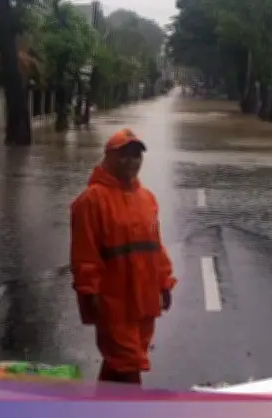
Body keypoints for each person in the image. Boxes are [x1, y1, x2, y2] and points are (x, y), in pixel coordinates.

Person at [70, 128, 177, 385]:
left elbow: (155, 246)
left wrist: (165, 283)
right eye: (124, 155)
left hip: (144, 300)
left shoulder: (147, 199)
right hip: (114, 302)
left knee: (119, 365)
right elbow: (85, 253)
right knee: (129, 364)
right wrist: (90, 293)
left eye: (136, 155)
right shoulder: (91, 201)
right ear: (108, 157)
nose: (131, 161)